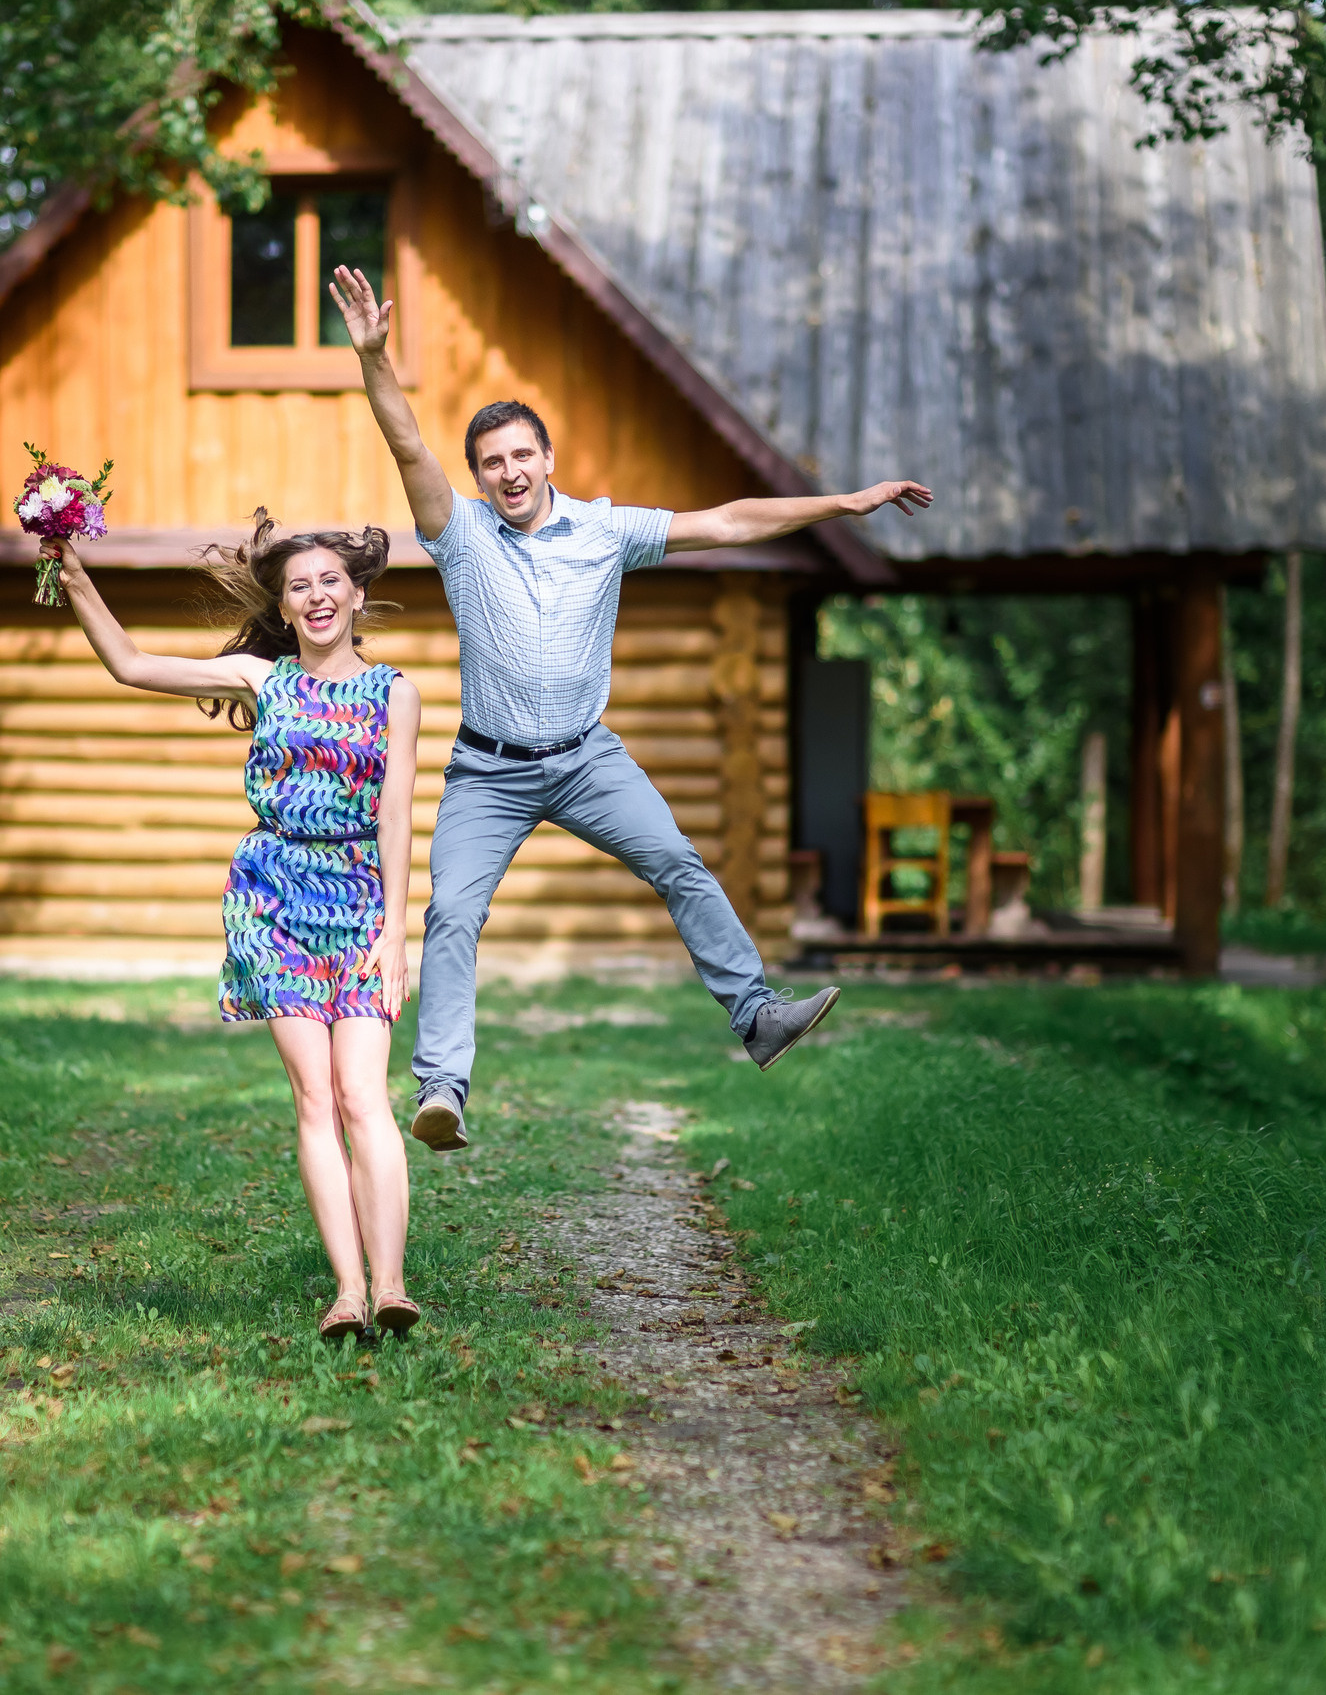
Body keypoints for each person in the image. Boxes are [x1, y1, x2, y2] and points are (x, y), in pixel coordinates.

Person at [327, 265, 933, 1152]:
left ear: (548, 460)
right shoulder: (458, 536)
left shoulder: (607, 531)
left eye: (521, 455)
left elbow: (727, 522)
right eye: (491, 463)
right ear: (480, 478)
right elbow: (409, 445)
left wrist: (843, 502)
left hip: (586, 759)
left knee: (680, 862)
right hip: (488, 770)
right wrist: (376, 361)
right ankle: (443, 1089)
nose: (508, 472)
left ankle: (757, 1017)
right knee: (452, 911)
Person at [47, 512, 423, 1342]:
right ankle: (348, 1291)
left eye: (331, 581)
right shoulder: (263, 677)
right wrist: (71, 570)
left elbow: (396, 816)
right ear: (284, 608)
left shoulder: (396, 692)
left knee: (366, 1094)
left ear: (357, 595)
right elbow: (131, 664)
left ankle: (392, 1284)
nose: (317, 595)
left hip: (361, 894)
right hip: (277, 893)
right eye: (299, 587)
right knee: (315, 1097)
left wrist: (398, 931)